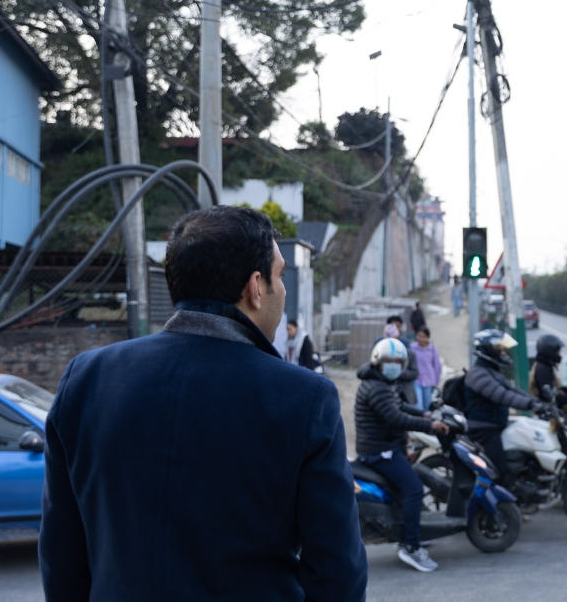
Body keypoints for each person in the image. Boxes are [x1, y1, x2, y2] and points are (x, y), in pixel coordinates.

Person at [40, 206, 367, 601]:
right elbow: (337, 573)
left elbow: (61, 553)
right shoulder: (304, 398)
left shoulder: (87, 379)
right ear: (255, 287)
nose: (282, 290)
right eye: (279, 276)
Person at [355, 338, 449, 573]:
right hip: (379, 452)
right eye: (389, 361)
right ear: (378, 361)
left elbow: (401, 407)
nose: (394, 365)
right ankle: (412, 547)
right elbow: (396, 418)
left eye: (398, 361)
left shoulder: (386, 382)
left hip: (388, 447)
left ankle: (411, 530)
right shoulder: (376, 387)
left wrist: (425, 414)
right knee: (414, 489)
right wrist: (430, 426)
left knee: (407, 486)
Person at [464, 329, 549, 480]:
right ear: (488, 351)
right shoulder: (478, 374)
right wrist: (530, 405)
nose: (504, 353)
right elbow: (502, 395)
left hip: (496, 423)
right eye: (500, 350)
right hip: (483, 429)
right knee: (499, 471)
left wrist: (539, 403)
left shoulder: (491, 371)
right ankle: (499, 499)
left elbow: (513, 390)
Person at [382, 316, 419, 405]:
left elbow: (414, 373)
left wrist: (396, 372)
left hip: (406, 393)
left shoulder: (409, 353)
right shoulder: (381, 352)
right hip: (386, 394)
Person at [409, 327, 442, 411]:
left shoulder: (432, 349)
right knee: (418, 405)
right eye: (419, 336)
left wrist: (436, 381)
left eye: (423, 337)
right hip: (416, 380)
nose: (421, 339)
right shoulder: (412, 348)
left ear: (428, 337)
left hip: (429, 380)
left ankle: (427, 423)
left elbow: (437, 365)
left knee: (427, 405)